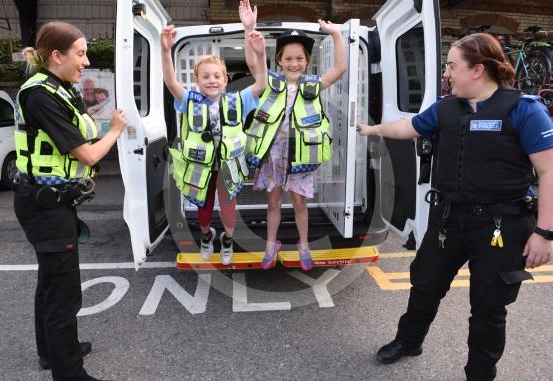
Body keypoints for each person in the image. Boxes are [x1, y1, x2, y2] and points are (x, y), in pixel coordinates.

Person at [357, 33, 553, 380]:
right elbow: (410, 127)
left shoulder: (525, 110)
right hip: (449, 220)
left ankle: (479, 373)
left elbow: (549, 170)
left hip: (501, 226)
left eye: (452, 66)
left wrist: (545, 232)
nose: (446, 73)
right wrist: (370, 129)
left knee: (488, 308)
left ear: (478, 70)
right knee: (425, 285)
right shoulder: (447, 107)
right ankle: (409, 341)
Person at [13, 21, 127, 381]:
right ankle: (69, 373)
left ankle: (53, 353)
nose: (87, 61)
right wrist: (115, 130)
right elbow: (88, 156)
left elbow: (71, 131)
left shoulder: (58, 88)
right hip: (45, 205)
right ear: (57, 55)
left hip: (49, 201)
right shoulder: (41, 95)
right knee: (63, 291)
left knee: (51, 283)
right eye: (80, 53)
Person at [161, 1, 267, 265]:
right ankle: (207, 236)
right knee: (204, 210)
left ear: (225, 80)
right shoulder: (190, 101)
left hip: (228, 166)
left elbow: (262, 83)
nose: (211, 80)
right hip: (201, 167)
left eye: (217, 76)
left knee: (229, 209)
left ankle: (228, 241)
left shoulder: (238, 101)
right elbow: (172, 82)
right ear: (197, 81)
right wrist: (166, 51)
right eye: (205, 76)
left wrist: (254, 41)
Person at [244, 18, 346, 271]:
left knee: (300, 203)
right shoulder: (269, 83)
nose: (294, 63)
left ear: (307, 61)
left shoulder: (313, 85)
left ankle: (304, 245)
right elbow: (251, 63)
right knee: (273, 203)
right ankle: (271, 245)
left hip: (301, 156)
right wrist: (248, 29)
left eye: (299, 58)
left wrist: (336, 34)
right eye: (288, 58)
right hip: (274, 156)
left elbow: (340, 68)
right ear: (279, 60)